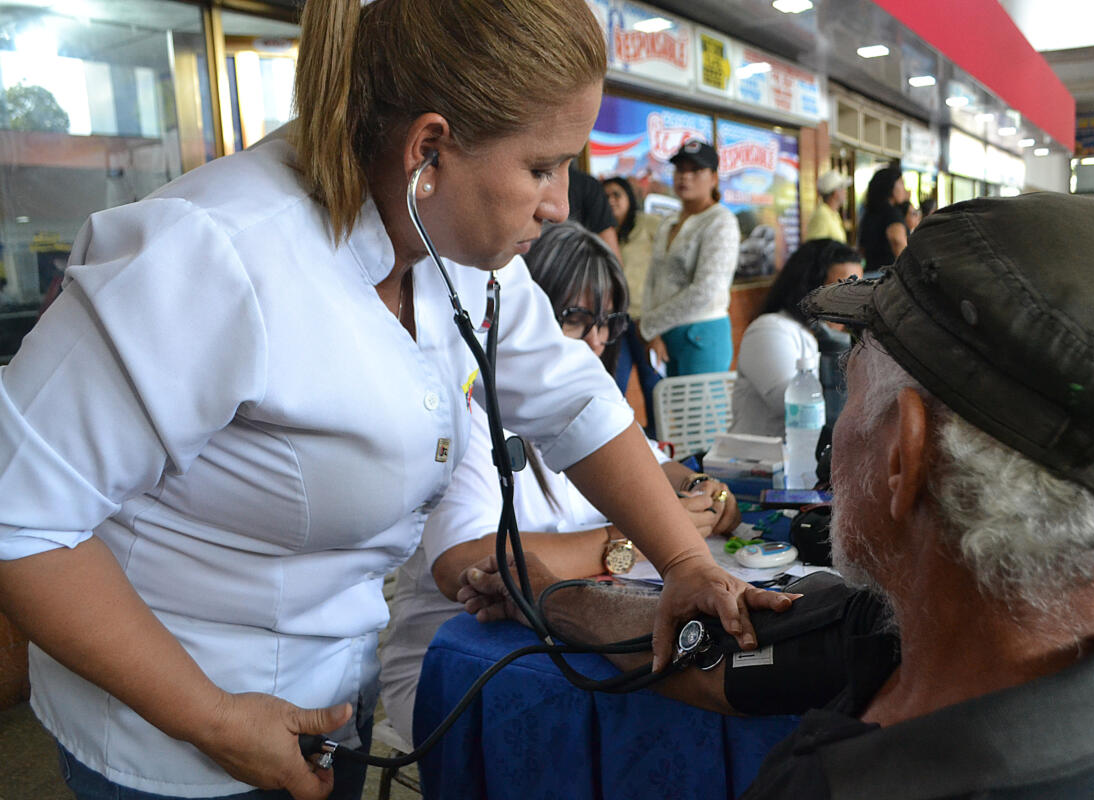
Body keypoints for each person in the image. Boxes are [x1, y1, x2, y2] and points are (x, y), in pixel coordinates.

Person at [0, 3, 787, 799]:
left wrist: (685, 564)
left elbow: (572, 399)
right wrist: (212, 718)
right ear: (428, 150)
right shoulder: (211, 252)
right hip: (174, 737)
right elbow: (18, 519)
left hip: (333, 703)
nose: (558, 206)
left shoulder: (460, 247)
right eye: (542, 168)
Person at [460, 192, 1094, 798]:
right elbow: (716, 655)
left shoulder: (844, 782)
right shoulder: (978, 636)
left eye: (850, 387)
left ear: (904, 456)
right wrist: (551, 596)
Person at [378, 222, 739, 748]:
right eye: (575, 318)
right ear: (524, 318)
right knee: (652, 717)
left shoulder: (591, 404)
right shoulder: (468, 411)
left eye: (608, 323)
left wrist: (706, 491)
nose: (596, 340)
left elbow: (659, 467)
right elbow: (466, 565)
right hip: (457, 664)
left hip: (551, 641)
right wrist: (630, 540)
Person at [728, 239, 861, 450]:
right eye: (841, 288)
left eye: (858, 288)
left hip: (811, 459)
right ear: (809, 286)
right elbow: (796, 409)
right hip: (760, 460)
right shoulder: (771, 329)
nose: (851, 299)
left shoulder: (843, 337)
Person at [640, 140, 740, 377]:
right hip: (665, 334)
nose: (685, 177)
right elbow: (653, 277)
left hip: (702, 335)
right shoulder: (669, 222)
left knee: (702, 403)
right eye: (680, 169)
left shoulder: (721, 221)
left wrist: (650, 325)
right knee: (668, 401)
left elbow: (706, 290)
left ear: (713, 178)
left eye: (695, 170)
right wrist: (652, 331)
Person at [603, 176, 663, 432]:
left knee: (653, 384)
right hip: (615, 321)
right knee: (614, 384)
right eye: (605, 196)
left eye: (617, 194)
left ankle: (659, 440)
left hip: (646, 321)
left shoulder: (648, 225)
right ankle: (621, 438)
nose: (611, 200)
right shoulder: (599, 230)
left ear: (629, 197)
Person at [857, 166, 909, 273]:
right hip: (888, 276)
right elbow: (897, 241)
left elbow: (862, 249)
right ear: (891, 187)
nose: (905, 189)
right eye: (901, 183)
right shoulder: (892, 213)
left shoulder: (869, 213)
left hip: (870, 273)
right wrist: (909, 270)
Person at [568, 163, 621, 261]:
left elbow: (610, 255)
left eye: (616, 195)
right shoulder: (587, 185)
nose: (612, 200)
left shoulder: (587, 186)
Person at [805, 171, 850, 243]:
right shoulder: (822, 215)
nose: (845, 192)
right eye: (842, 188)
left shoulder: (833, 214)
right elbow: (815, 246)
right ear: (835, 193)